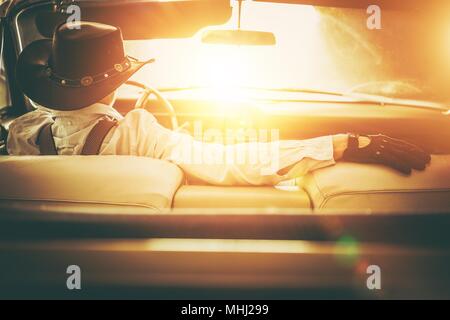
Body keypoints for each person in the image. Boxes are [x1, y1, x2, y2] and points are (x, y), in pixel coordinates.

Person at [6, 22, 431, 186]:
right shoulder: (137, 133)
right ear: (114, 86)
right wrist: (339, 144)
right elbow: (227, 161)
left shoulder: (21, 134)